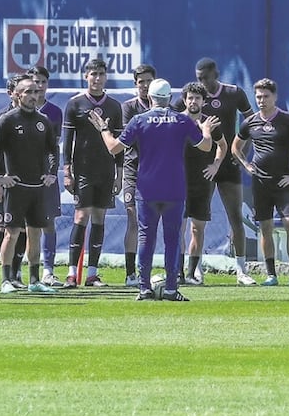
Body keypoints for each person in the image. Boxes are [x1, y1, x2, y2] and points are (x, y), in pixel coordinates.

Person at [89, 78, 217, 301]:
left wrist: (103, 128)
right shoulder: (182, 120)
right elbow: (206, 146)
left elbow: (113, 148)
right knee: (172, 240)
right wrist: (206, 130)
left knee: (145, 239)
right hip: (175, 189)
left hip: (146, 189)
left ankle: (144, 288)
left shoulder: (139, 120)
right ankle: (171, 289)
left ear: (150, 97)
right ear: (170, 98)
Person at [174, 58, 256, 285]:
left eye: (205, 78)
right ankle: (195, 270)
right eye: (199, 78)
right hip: (201, 170)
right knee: (195, 222)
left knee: (236, 217)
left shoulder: (234, 93)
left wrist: (241, 154)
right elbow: (171, 120)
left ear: (215, 74)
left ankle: (241, 271)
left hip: (227, 164)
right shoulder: (191, 97)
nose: (202, 82)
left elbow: (251, 123)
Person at [231, 78, 289, 287]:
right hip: (261, 184)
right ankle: (271, 275)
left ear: (275, 97)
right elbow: (235, 147)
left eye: (266, 96)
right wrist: (246, 165)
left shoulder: (288, 120)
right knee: (265, 228)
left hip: (283, 183)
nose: (261, 100)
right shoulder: (250, 122)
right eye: (258, 97)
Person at [0, 74, 60, 293]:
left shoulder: (43, 121)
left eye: (36, 92)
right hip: (15, 189)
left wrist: (51, 173)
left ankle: (34, 280)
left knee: (35, 234)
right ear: (17, 95)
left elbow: (53, 149)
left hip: (37, 189)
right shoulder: (7, 119)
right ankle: (5, 279)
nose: (33, 96)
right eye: (28, 92)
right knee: (11, 233)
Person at [62, 58, 123, 287]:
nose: (97, 78)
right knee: (81, 217)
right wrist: (67, 171)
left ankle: (92, 274)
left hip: (105, 171)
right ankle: (71, 274)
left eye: (101, 74)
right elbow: (68, 142)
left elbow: (119, 144)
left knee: (99, 218)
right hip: (84, 170)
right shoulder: (75, 104)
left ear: (106, 77)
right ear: (85, 76)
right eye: (93, 74)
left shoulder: (114, 106)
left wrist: (119, 174)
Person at [0, 75, 27, 291]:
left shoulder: (34, 117)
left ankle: (15, 274)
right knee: (2, 227)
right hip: (5, 183)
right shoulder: (0, 117)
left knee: (24, 229)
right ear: (11, 93)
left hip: (27, 184)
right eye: (22, 90)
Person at [181, 81, 228, 286]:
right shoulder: (176, 121)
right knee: (178, 228)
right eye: (190, 98)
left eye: (197, 98)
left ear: (203, 101)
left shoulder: (210, 123)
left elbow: (222, 145)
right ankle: (177, 273)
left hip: (202, 182)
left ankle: (192, 273)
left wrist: (216, 165)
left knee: (197, 229)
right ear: (185, 100)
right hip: (178, 182)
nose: (193, 101)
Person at [28, 66, 64, 287]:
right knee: (22, 227)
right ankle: (16, 272)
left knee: (48, 222)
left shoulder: (55, 112)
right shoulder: (18, 111)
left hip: (46, 176)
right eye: (35, 82)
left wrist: (51, 172)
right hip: (24, 175)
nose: (39, 86)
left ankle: (48, 270)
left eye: (42, 82)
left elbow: (54, 146)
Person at [120, 64, 156, 287]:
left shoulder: (165, 108)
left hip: (157, 172)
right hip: (133, 171)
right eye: (140, 82)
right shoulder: (128, 107)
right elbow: (130, 137)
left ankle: (152, 270)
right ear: (135, 84)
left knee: (153, 223)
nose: (144, 85)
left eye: (148, 81)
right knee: (133, 220)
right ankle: (130, 273)